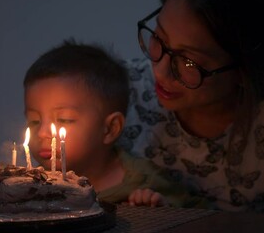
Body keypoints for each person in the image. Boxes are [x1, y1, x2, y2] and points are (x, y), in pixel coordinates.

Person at [116, 0, 264, 217]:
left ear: (244, 72)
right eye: (159, 37)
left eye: (189, 62)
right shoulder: (119, 91)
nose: (159, 70)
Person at [23, 40, 206, 208]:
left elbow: (201, 217)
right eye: (34, 120)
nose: (41, 132)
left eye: (63, 119)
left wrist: (159, 210)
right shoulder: (34, 183)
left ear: (110, 129)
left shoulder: (143, 183)